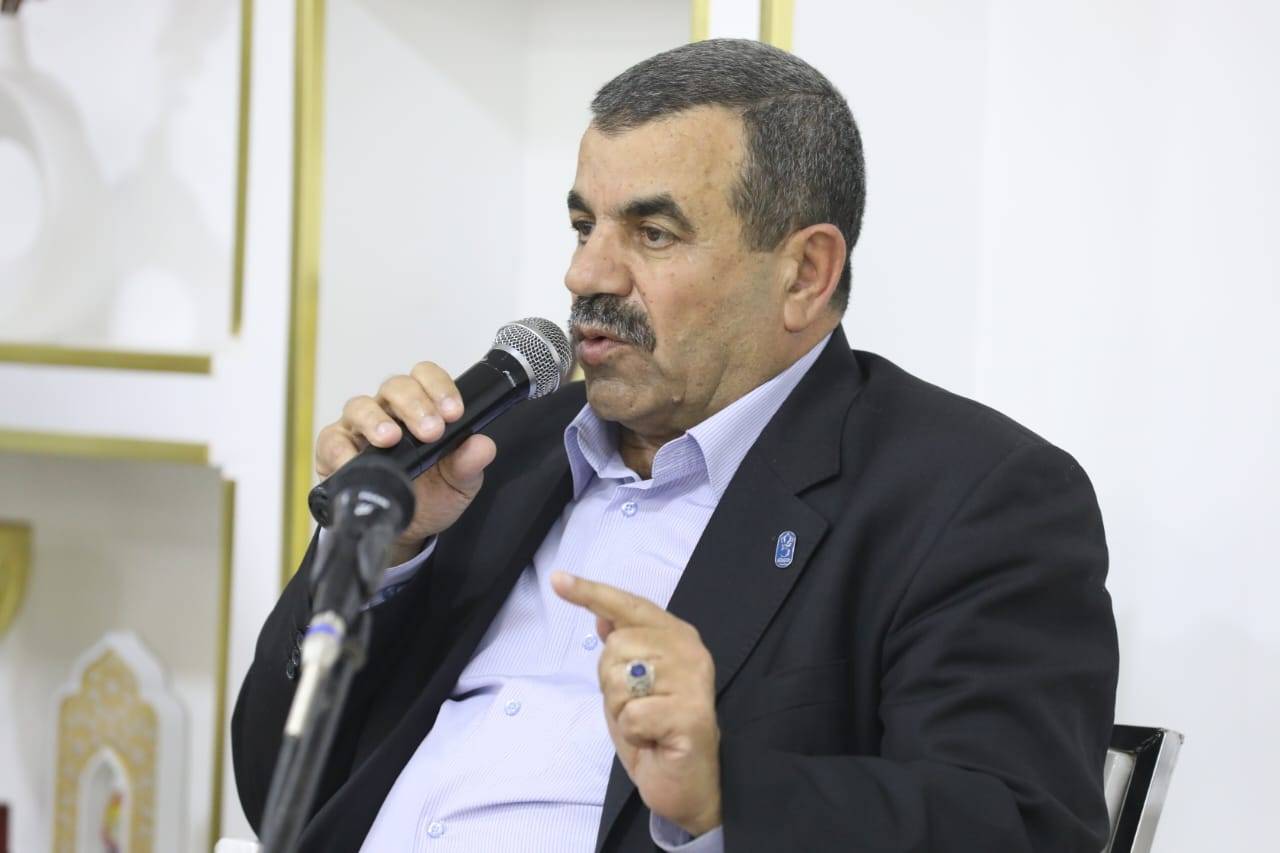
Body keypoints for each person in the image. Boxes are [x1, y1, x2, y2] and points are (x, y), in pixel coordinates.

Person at [232, 38, 1118, 852]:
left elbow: (1018, 827)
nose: (585, 274)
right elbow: (281, 789)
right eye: (584, 226)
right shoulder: (493, 453)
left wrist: (722, 794)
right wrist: (382, 558)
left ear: (805, 273)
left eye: (652, 235)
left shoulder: (973, 496)